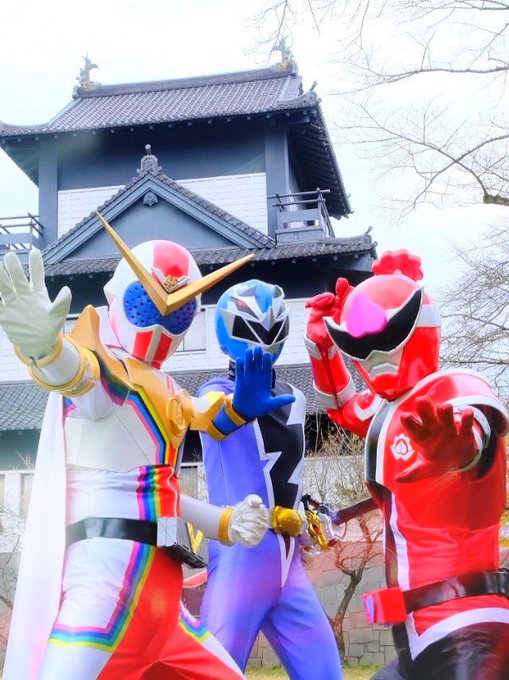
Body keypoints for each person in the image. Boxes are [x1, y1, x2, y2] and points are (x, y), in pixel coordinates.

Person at [2, 221, 294, 680]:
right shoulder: (107, 373)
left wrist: (225, 520)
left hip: (164, 601)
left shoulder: (168, 389)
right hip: (104, 587)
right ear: (116, 298)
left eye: (179, 313)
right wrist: (46, 350)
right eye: (145, 303)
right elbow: (79, 376)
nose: (160, 323)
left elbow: (164, 486)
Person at [304, 249, 509, 680]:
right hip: (417, 636)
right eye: (357, 343)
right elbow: (342, 405)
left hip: (469, 624)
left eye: (388, 335)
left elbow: (474, 430)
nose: (374, 352)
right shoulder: (391, 411)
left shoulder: (451, 391)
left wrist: (455, 451)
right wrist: (322, 347)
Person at [198, 279, 343, 680]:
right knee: (213, 671)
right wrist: (240, 409)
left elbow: (289, 472)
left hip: (286, 559)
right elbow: (214, 420)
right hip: (240, 552)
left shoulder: (295, 395)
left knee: (325, 673)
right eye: (251, 329)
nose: (261, 338)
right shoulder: (214, 392)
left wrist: (306, 518)